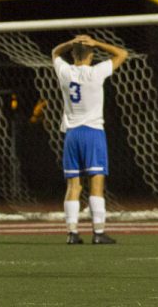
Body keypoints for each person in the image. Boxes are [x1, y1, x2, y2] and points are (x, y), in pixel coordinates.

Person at [52, 35, 128, 245]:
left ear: (73, 55)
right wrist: (97, 43)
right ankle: (98, 232)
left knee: (73, 185)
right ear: (92, 55)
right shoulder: (95, 72)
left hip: (72, 134)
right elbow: (122, 54)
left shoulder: (65, 72)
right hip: (93, 133)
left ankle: (72, 233)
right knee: (96, 184)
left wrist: (70, 43)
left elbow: (55, 53)